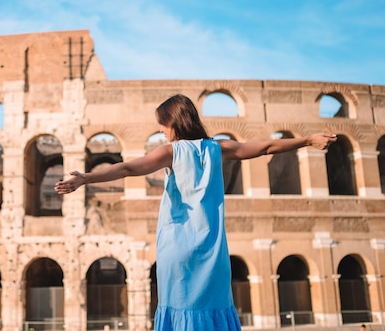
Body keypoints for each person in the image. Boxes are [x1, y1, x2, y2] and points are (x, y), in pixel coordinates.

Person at [55, 94, 337, 331]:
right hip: (212, 250)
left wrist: (86, 178)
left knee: (179, 307)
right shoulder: (217, 148)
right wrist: (308, 140)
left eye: (162, 125)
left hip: (176, 247)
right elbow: (266, 147)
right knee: (214, 307)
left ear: (173, 123)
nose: (162, 131)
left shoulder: (172, 151)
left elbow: (129, 168)